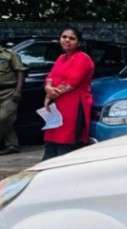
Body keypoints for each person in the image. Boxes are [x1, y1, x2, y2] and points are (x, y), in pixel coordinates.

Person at [42, 26, 95, 160]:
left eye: (72, 38)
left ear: (78, 42)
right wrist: (48, 88)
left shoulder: (83, 58)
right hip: (58, 104)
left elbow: (72, 81)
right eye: (64, 37)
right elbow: (51, 76)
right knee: (52, 139)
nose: (67, 40)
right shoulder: (61, 58)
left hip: (74, 105)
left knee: (66, 140)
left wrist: (51, 94)